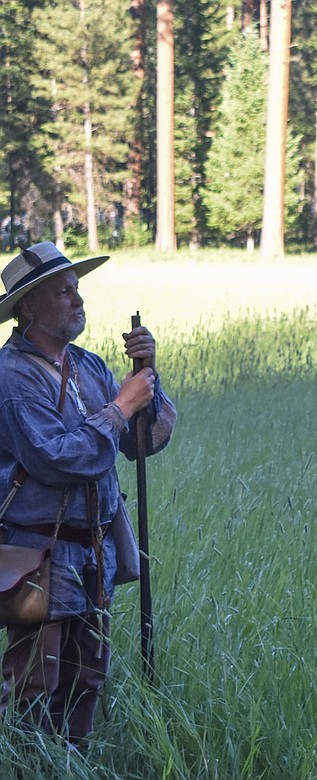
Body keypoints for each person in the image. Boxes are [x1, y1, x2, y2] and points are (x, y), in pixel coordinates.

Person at [0, 242, 177, 743]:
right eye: (63, 292)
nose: (77, 301)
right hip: (38, 552)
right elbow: (53, 459)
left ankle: (73, 763)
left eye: (77, 290)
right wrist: (122, 405)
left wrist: (148, 377)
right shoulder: (11, 376)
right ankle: (23, 764)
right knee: (35, 681)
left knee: (86, 679)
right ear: (28, 307)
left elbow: (139, 444)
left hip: (93, 549)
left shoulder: (89, 365)